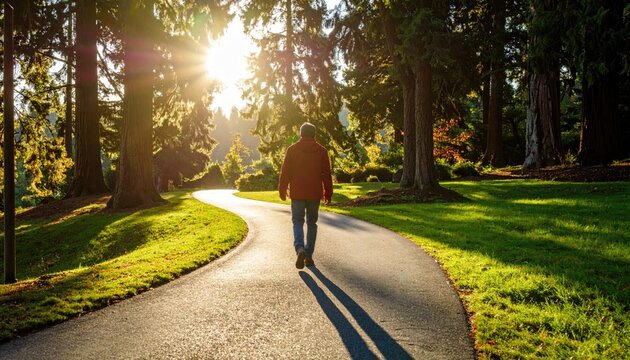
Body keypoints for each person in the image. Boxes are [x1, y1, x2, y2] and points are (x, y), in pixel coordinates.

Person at [279, 122, 333, 269]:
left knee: (297, 221)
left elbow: (285, 172)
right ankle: (308, 255)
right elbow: (326, 174)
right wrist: (328, 193)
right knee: (312, 223)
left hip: (297, 193)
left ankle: (299, 249)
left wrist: (282, 190)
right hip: (314, 193)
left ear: (301, 134)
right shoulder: (322, 151)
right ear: (314, 134)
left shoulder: (292, 150)